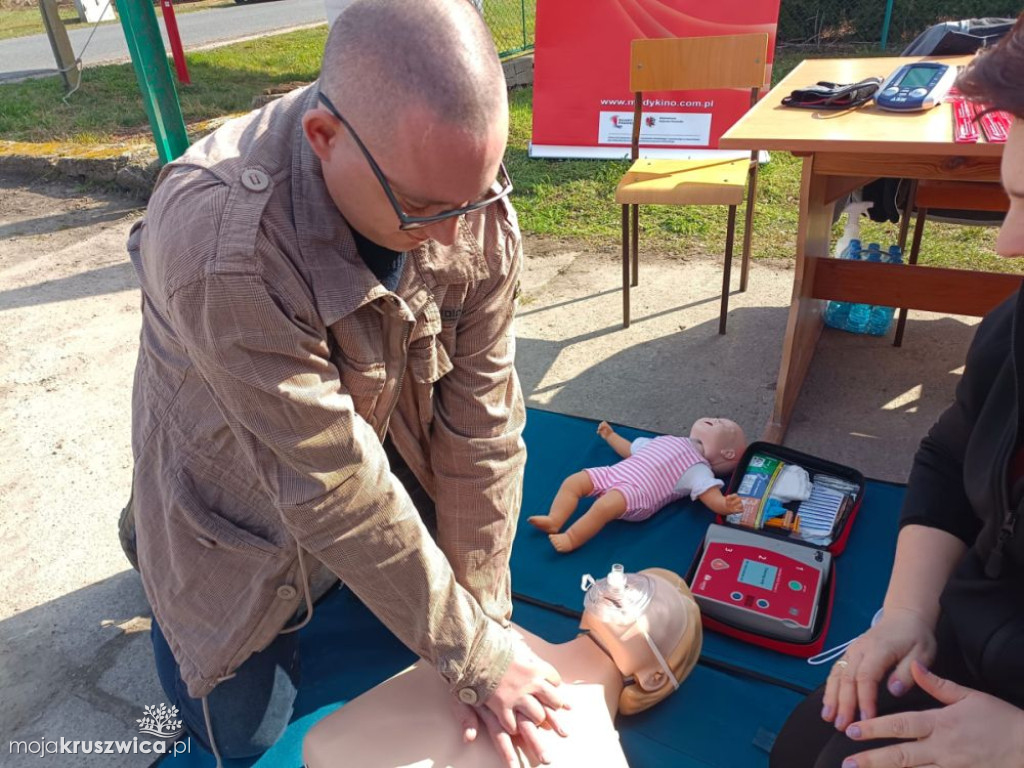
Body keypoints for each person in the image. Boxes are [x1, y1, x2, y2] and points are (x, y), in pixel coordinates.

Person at [121, 1, 567, 764]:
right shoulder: (220, 244)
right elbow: (327, 482)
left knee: (447, 629)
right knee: (245, 738)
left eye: (474, 197)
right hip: (240, 496)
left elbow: (485, 426)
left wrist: (483, 629)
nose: (455, 235)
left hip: (373, 431)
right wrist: (478, 661)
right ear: (323, 139)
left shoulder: (467, 201)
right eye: (422, 208)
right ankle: (156, 551)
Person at [770, 14, 1024, 768]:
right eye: (1013, 196)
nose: (1007, 242)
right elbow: (950, 459)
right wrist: (907, 613)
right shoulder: (1014, 330)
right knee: (812, 750)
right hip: (979, 642)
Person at [302, 566, 703, 768]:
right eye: (635, 579)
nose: (628, 588)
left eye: (656, 604)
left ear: (654, 679)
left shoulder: (598, 756)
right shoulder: (481, 629)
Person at [527, 418, 746, 552]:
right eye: (718, 418)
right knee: (573, 482)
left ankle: (572, 537)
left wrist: (725, 505)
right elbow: (631, 449)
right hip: (616, 473)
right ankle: (555, 519)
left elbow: (710, 495)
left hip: (638, 494)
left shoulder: (699, 468)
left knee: (604, 506)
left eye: (724, 426)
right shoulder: (668, 440)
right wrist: (611, 436)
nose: (717, 420)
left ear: (727, 453)